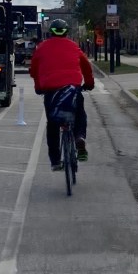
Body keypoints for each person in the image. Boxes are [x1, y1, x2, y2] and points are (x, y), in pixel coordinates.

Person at [29, 18, 95, 171]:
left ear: (51, 31)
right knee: (80, 114)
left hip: (51, 90)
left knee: (52, 124)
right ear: (66, 31)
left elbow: (34, 70)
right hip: (73, 87)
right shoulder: (73, 46)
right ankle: (80, 137)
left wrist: (38, 87)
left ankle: (55, 161)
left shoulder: (42, 47)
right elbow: (86, 65)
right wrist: (89, 83)